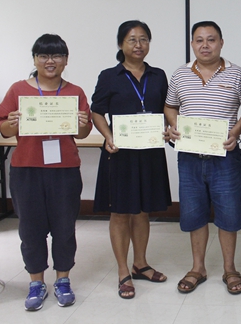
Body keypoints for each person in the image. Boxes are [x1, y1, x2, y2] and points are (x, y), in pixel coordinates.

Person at [0, 34, 92, 311]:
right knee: (30, 229)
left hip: (64, 170)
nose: (50, 61)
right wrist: (13, 122)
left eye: (57, 56)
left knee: (64, 228)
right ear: (35, 59)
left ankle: (63, 280)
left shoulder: (75, 92)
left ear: (66, 60)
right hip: (27, 169)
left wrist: (82, 123)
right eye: (43, 56)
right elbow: (4, 128)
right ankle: (36, 282)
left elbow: (83, 134)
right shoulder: (18, 90)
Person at [164, 21, 241, 295]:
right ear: (192, 44)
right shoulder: (180, 74)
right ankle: (197, 268)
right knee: (193, 213)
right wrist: (174, 125)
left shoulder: (238, 74)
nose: (205, 45)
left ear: (221, 43)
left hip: (225, 157)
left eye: (211, 39)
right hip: (189, 158)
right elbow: (170, 106)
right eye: (199, 40)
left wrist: (235, 133)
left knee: (229, 214)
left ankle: (230, 269)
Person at [91, 20, 172, 299]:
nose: (139, 45)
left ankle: (141, 263)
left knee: (142, 211)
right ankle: (123, 270)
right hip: (120, 153)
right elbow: (97, 111)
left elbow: (167, 109)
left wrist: (169, 128)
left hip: (149, 152)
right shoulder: (109, 76)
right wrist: (108, 136)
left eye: (144, 39)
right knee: (120, 212)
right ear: (120, 44)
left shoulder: (158, 75)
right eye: (132, 39)